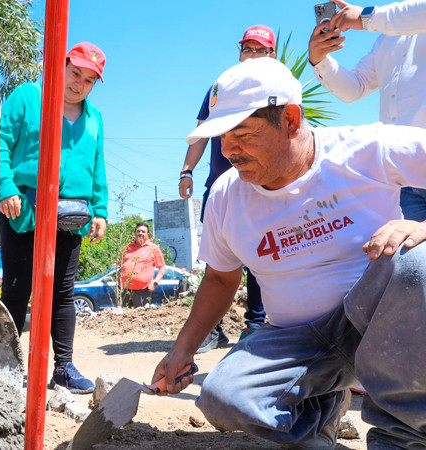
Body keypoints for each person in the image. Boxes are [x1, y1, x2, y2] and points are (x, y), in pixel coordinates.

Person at [153, 57, 426, 449]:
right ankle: (316, 419)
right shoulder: (226, 197)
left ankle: (405, 437)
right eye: (222, 137)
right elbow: (219, 278)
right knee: (223, 397)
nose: (229, 150)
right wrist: (183, 349)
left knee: (416, 260)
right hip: (299, 342)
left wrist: (424, 227)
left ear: (291, 121)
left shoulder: (366, 149)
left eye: (242, 134)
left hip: (381, 327)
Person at [0, 42, 108, 394]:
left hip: (71, 215)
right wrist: (5, 186)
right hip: (24, 208)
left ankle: (63, 367)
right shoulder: (27, 96)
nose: (79, 84)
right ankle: (3, 368)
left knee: (63, 292)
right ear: (61, 65)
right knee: (17, 289)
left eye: (88, 80)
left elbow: (98, 165)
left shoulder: (94, 117)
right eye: (75, 73)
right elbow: (0, 142)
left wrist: (101, 209)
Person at [179, 24, 273, 353]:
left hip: (261, 185)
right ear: (240, 52)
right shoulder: (220, 88)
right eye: (248, 49)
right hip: (219, 188)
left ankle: (255, 325)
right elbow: (202, 132)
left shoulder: (277, 89)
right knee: (216, 259)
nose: (253, 55)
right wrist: (187, 171)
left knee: (261, 255)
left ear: (272, 55)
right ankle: (212, 328)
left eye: (260, 50)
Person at [309, 0, 426, 221]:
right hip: (403, 179)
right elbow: (355, 88)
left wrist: (367, 17)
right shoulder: (386, 39)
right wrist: (320, 59)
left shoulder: (390, 22)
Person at [120, 223, 166, 308]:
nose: (140, 233)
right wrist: (119, 280)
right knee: (124, 314)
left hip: (142, 290)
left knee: (140, 315)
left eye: (143, 231)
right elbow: (121, 265)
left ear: (148, 234)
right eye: (138, 231)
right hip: (126, 289)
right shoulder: (128, 247)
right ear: (135, 233)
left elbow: (162, 268)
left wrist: (155, 283)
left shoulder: (153, 248)